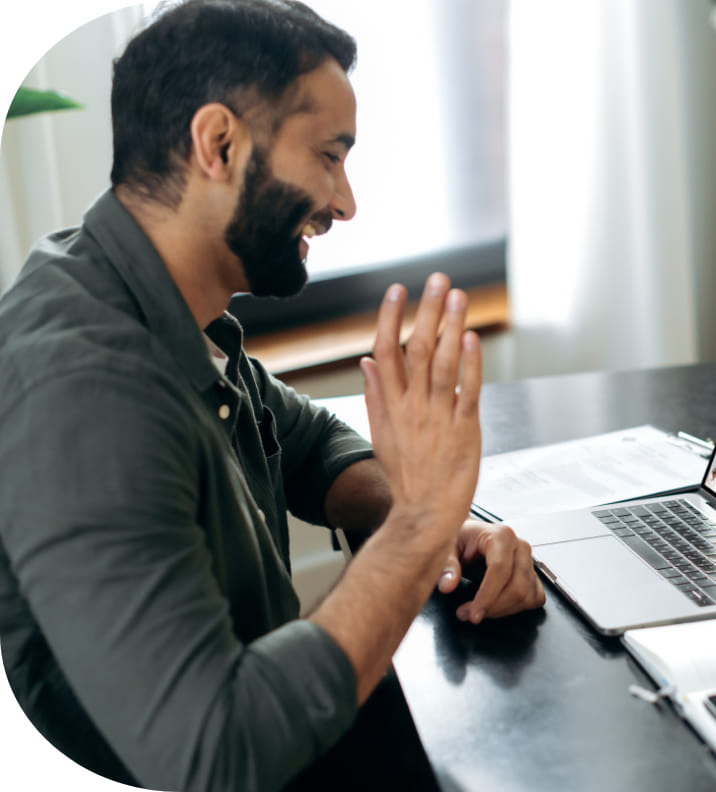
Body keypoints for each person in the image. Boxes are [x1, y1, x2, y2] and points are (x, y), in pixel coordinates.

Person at [0, 3, 545, 790]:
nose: (346, 200)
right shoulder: (86, 388)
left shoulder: (149, 297)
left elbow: (307, 444)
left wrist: (441, 526)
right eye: (328, 155)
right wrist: (421, 525)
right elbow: (215, 752)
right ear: (218, 144)